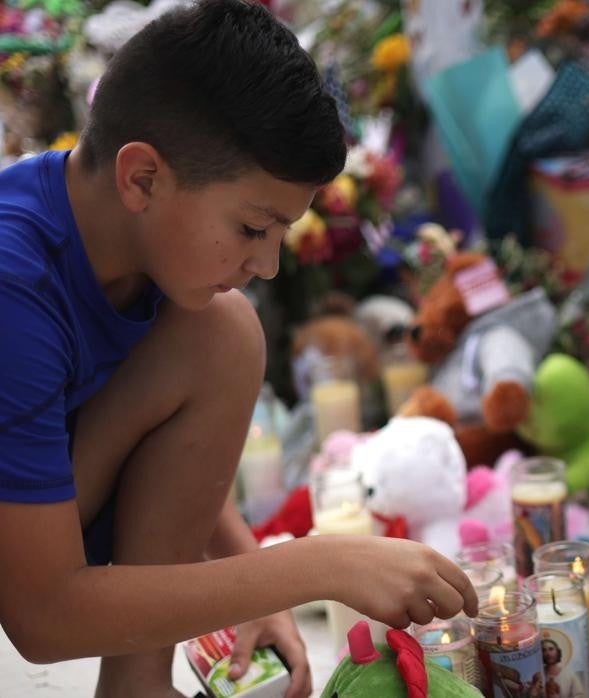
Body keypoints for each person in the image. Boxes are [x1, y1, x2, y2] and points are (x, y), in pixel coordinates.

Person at [0, 1, 477, 697]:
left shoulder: (130, 235)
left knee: (221, 332)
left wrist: (254, 583)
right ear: (143, 178)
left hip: (40, 506)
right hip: (28, 565)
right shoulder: (14, 280)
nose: (269, 265)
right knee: (222, 329)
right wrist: (322, 566)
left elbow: (156, 443)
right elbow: (41, 618)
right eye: (255, 228)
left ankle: (138, 686)